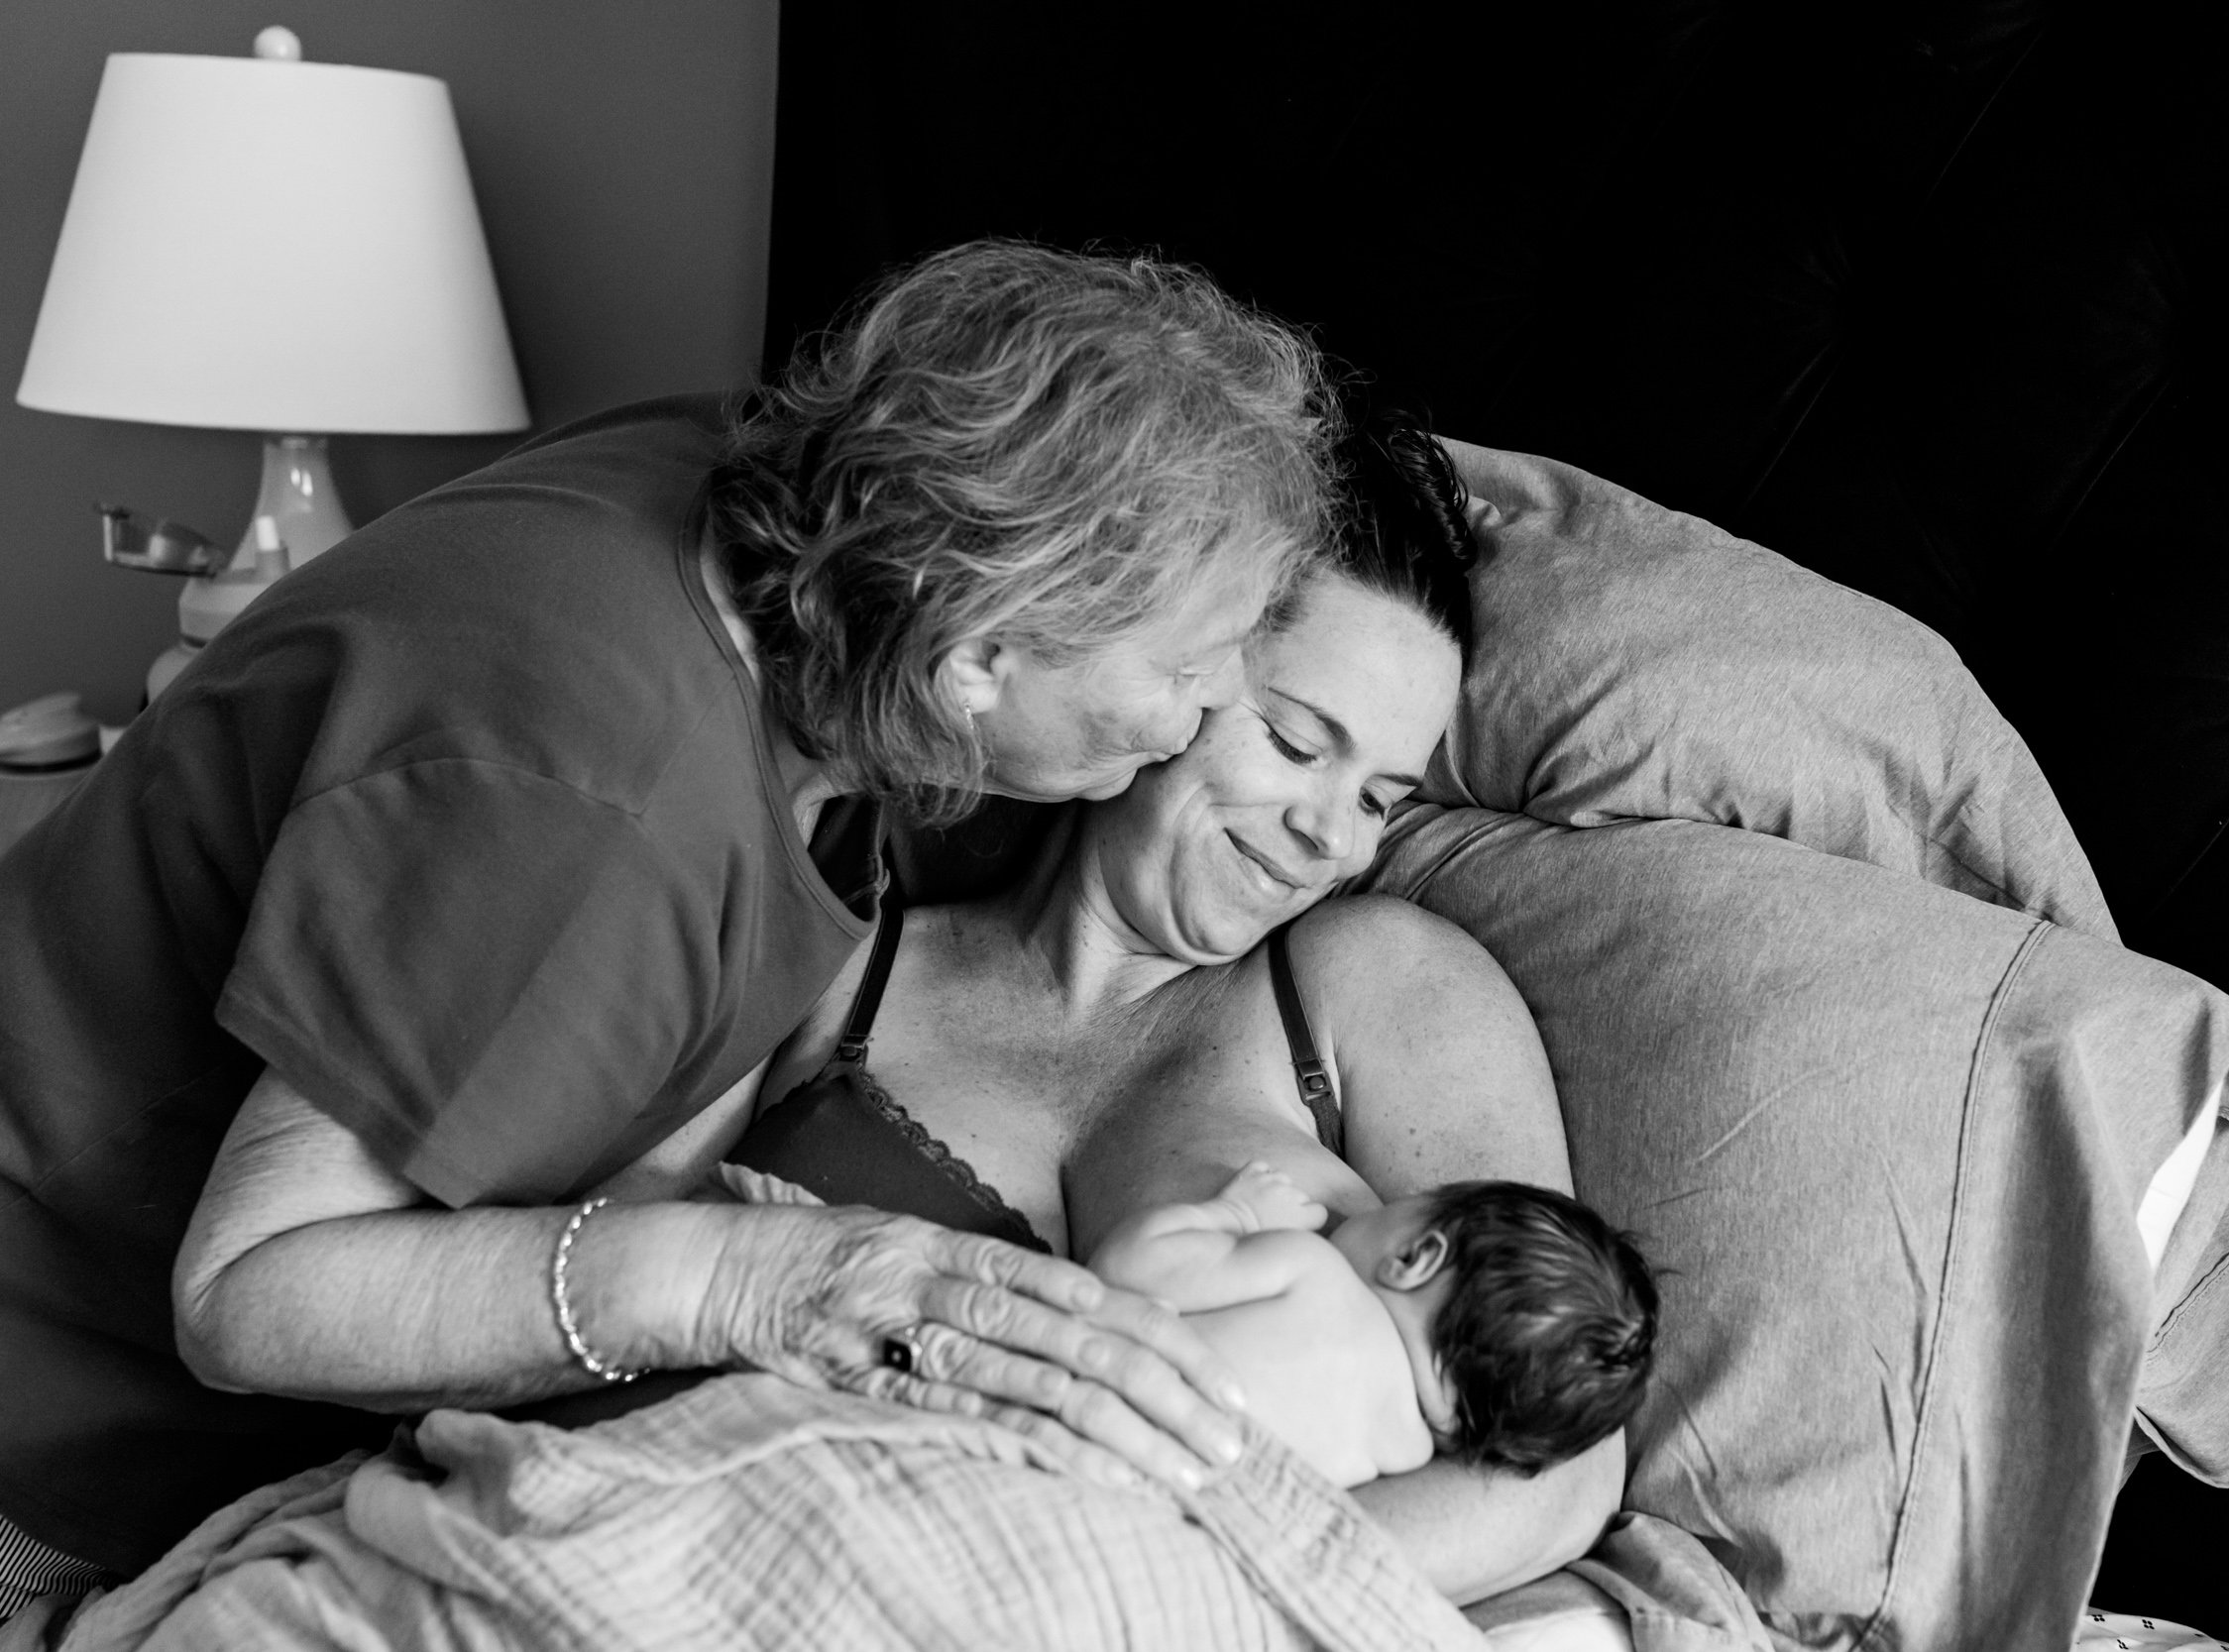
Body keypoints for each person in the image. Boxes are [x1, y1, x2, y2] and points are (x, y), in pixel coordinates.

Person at [0, 240, 1329, 1612]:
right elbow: (252, 1292)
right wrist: (752, 1277)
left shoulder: (780, 507)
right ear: (976, 655)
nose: (1217, 705)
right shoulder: (594, 797)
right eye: (1185, 665)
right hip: (46, 1433)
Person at [673, 410, 1626, 1599]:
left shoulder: (1381, 984)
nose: (1330, 833)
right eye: (1292, 741)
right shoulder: (843, 950)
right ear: (1164, 674)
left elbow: (1552, 1475)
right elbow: (629, 1256)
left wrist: (1109, 1606)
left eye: (1380, 795)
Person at [1087, 1160, 1659, 1491]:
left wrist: (1239, 1215)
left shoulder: (1310, 1270)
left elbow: (1122, 1271)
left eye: (1407, 1201)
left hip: (1079, 1439)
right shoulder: (1398, 1454)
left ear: (1414, 1259)